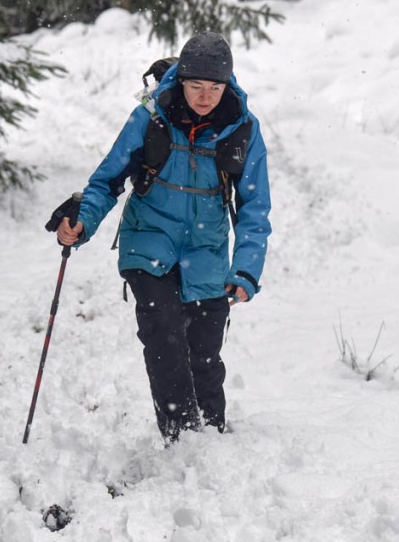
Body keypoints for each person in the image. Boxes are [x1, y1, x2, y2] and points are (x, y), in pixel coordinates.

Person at [54, 31, 272, 443]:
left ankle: (211, 438)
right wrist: (80, 222)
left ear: (228, 85)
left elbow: (254, 206)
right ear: (181, 81)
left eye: (214, 87)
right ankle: (181, 438)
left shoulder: (241, 128)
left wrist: (245, 268)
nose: (205, 96)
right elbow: (107, 181)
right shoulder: (151, 117)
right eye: (195, 86)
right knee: (165, 337)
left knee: (204, 353)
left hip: (206, 250)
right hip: (148, 241)